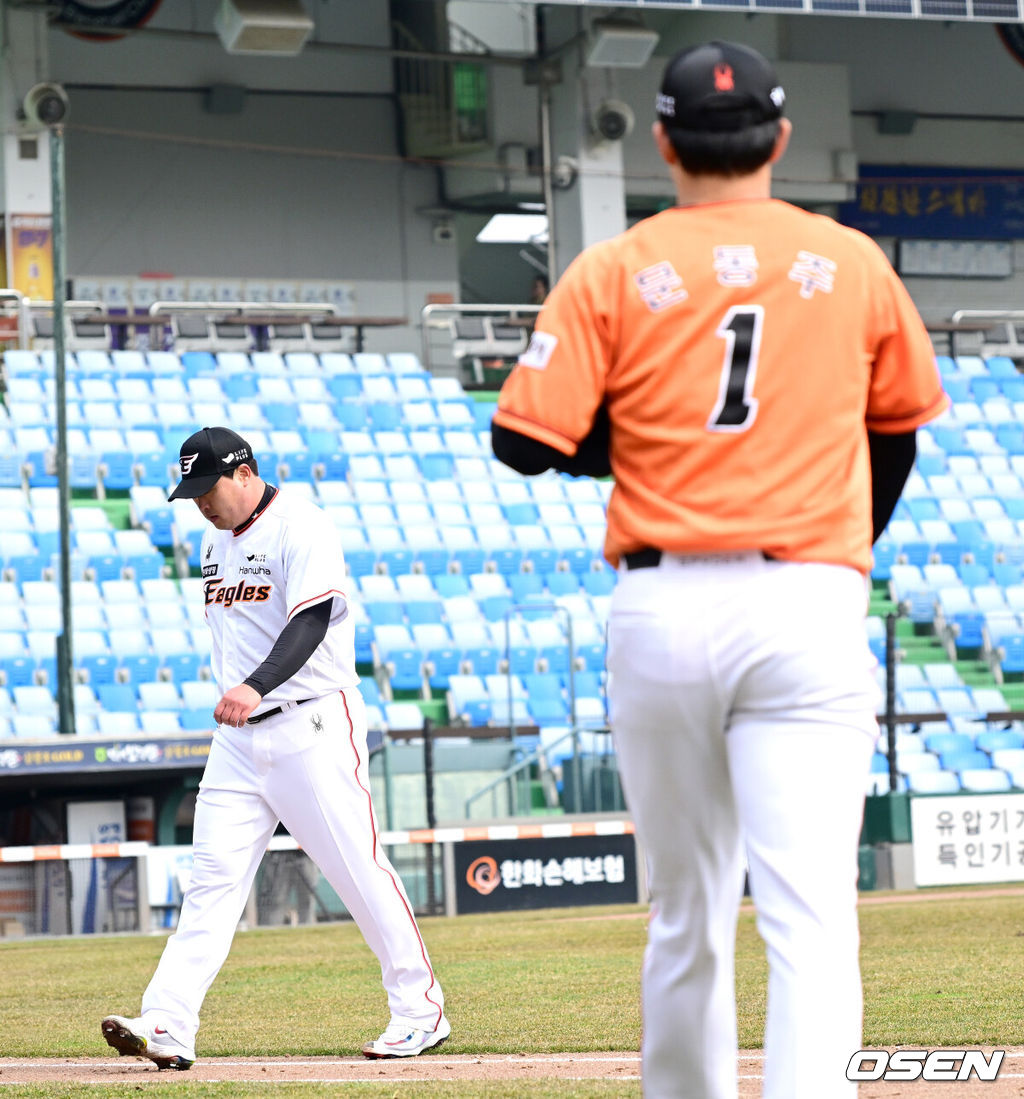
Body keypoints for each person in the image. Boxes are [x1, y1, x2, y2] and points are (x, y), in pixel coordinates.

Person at [491, 40, 947, 1099]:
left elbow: (522, 438)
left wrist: (654, 444)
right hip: (807, 598)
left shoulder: (615, 266)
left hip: (662, 603)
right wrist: (845, 553)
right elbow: (901, 431)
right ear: (781, 140)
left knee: (687, 912)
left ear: (661, 143)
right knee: (811, 917)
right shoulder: (849, 260)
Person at [102, 426, 449, 1070]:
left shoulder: (301, 524)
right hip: (238, 740)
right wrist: (245, 697)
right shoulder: (214, 538)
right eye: (191, 491)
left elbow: (311, 620)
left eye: (208, 488)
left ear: (244, 473)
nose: (201, 502)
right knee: (211, 881)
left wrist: (256, 686)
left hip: (311, 722)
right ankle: (168, 1023)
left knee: (356, 871)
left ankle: (419, 1010)